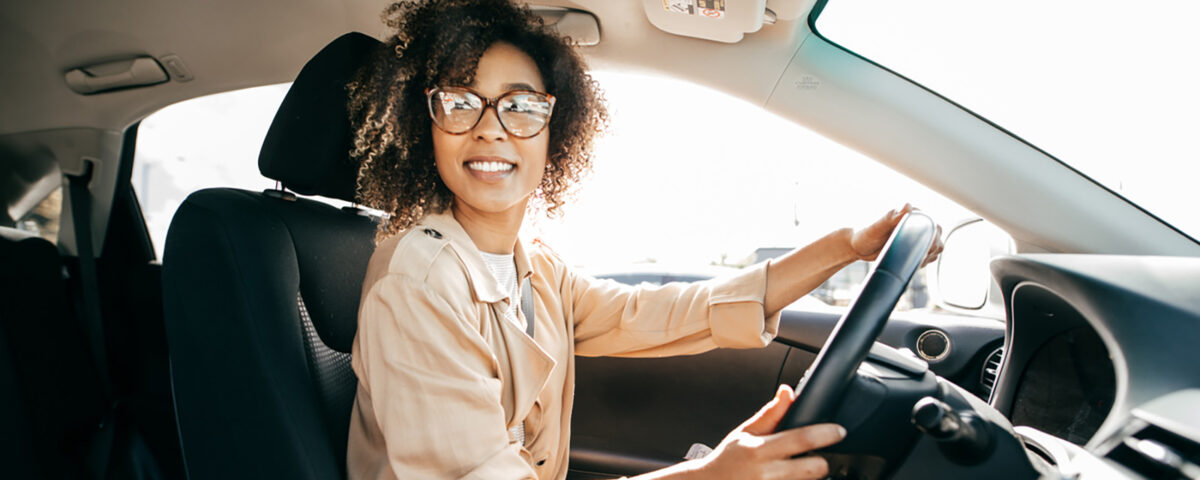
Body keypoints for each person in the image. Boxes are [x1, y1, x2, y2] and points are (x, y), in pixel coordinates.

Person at [345, 1, 943, 479]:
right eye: (460, 102)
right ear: (425, 124)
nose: (491, 129)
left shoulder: (533, 267)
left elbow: (659, 312)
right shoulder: (417, 283)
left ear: (556, 129)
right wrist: (708, 477)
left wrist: (848, 246)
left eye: (521, 106)